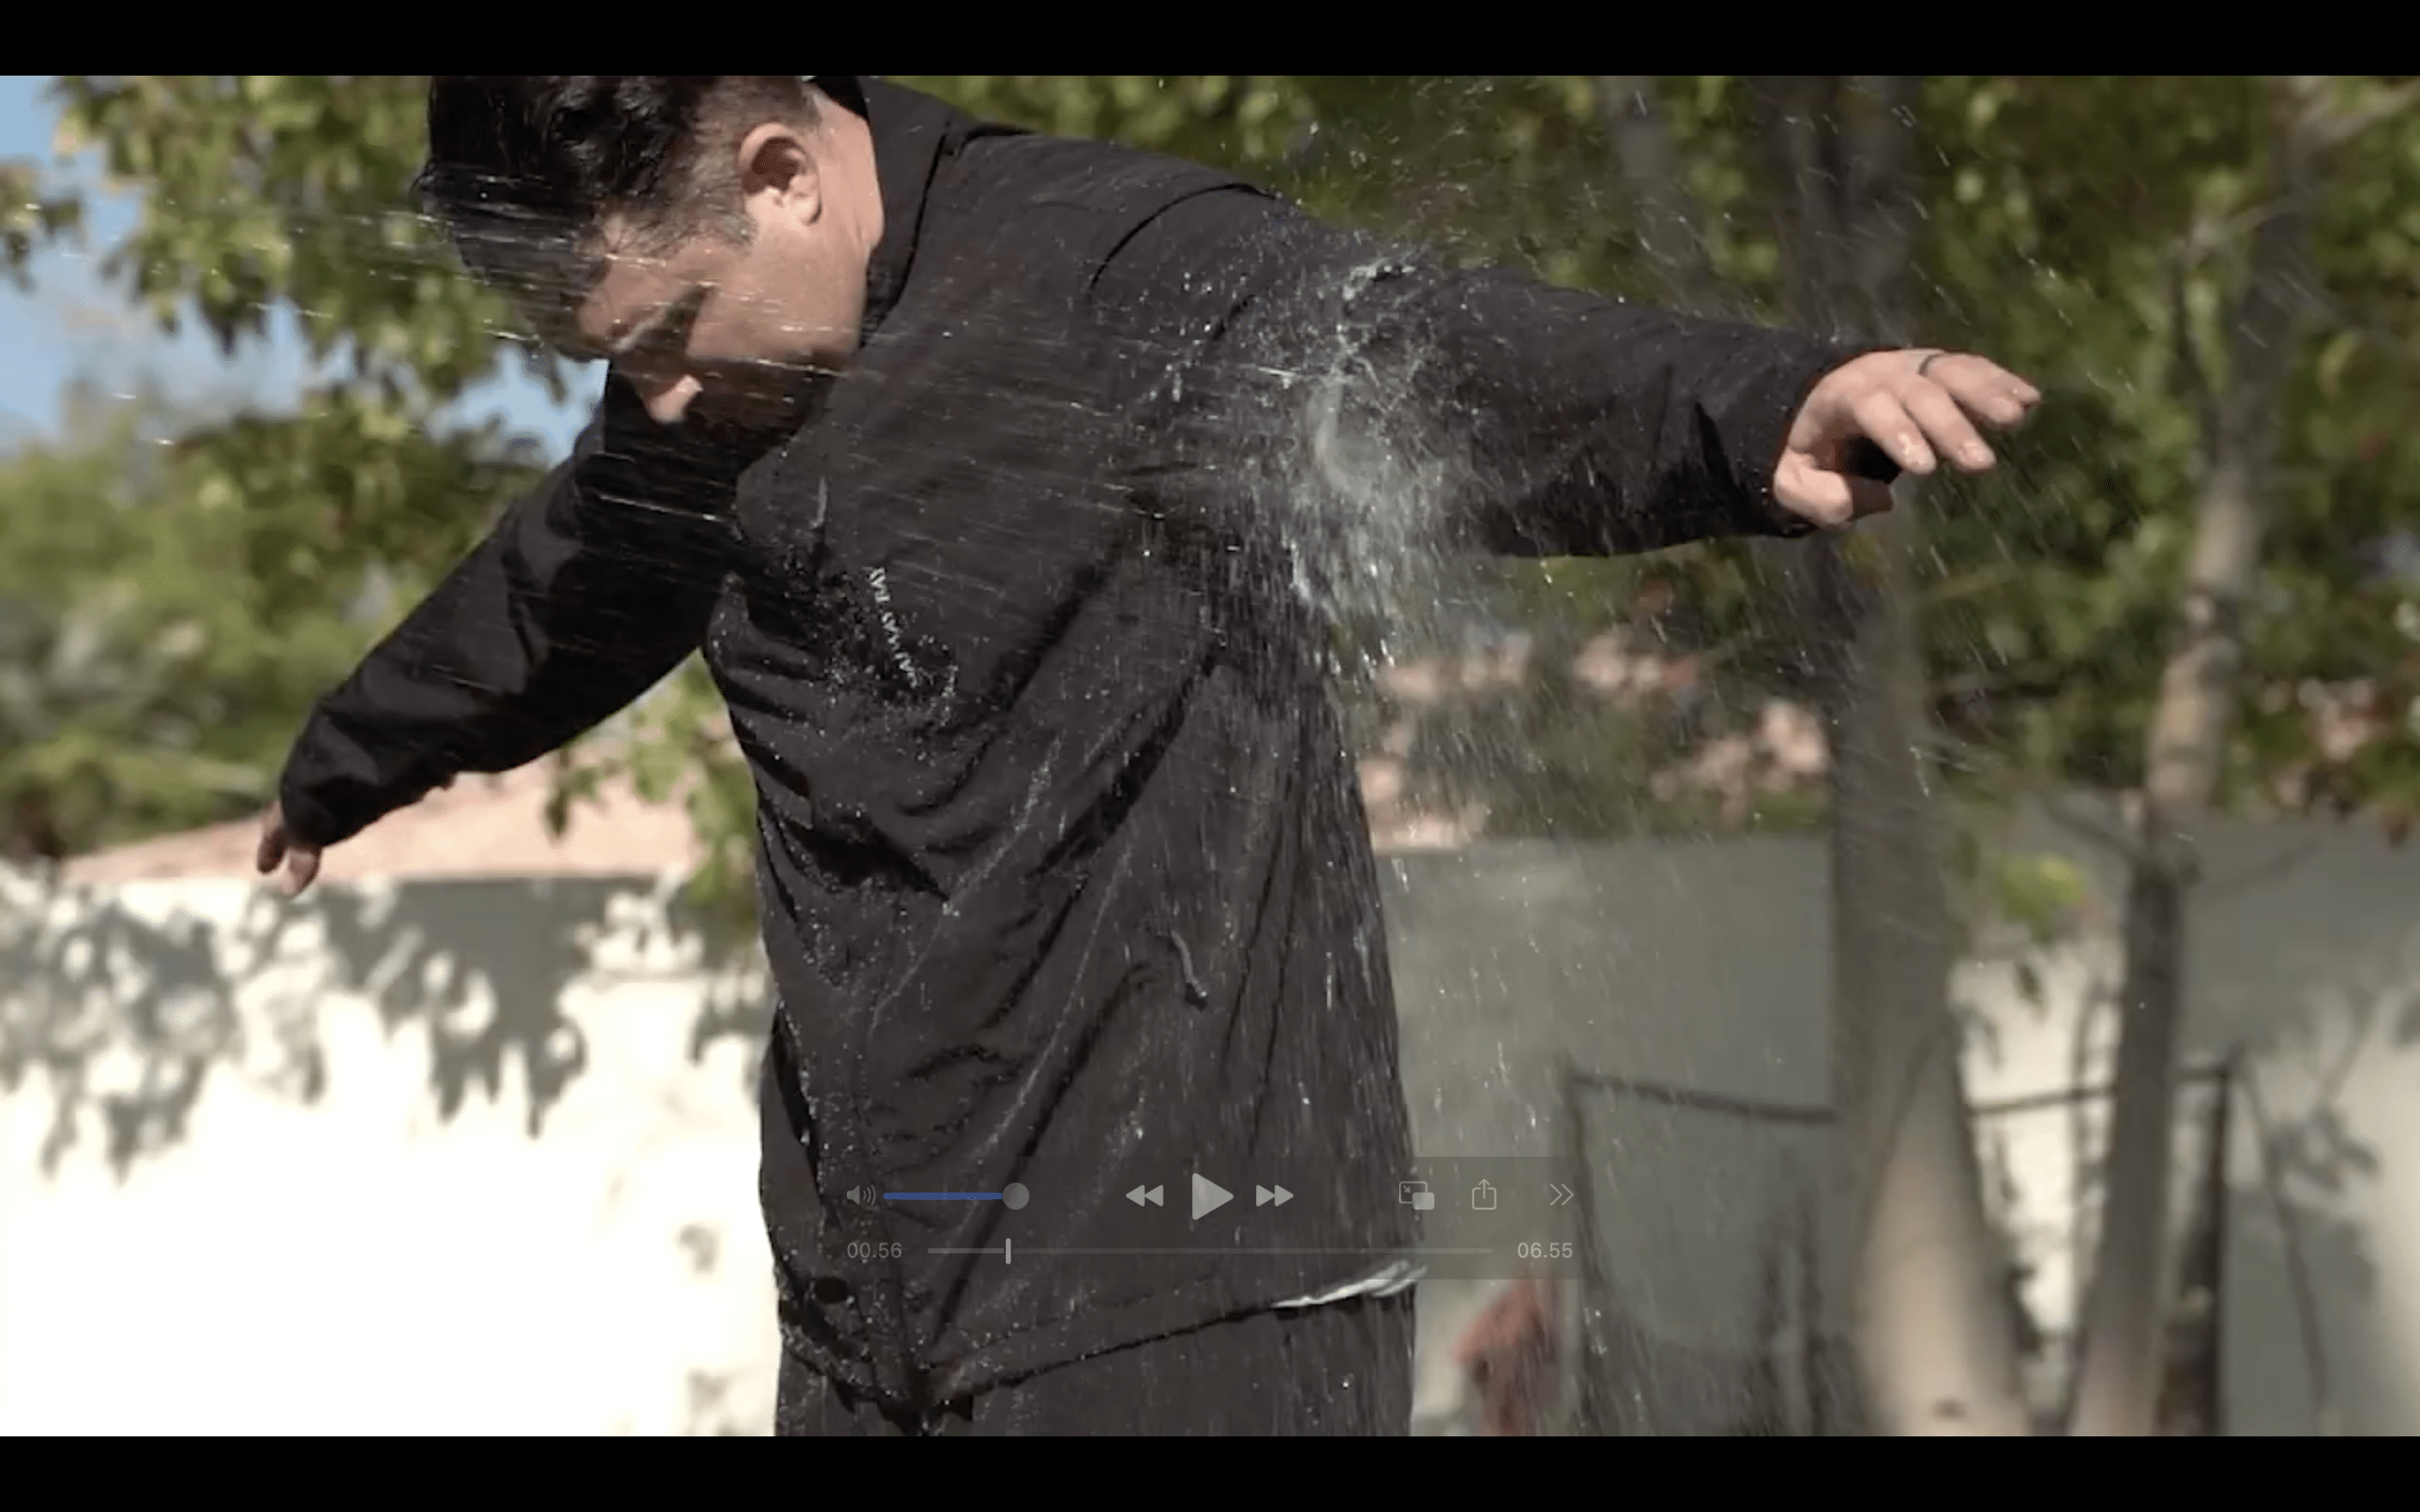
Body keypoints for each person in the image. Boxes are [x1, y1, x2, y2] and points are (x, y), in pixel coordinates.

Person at [253, 75, 2041, 1436]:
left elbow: (1424, 355)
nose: (643, 397)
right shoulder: (706, 404)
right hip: (880, 1291)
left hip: (1189, 1282)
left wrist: (1751, 411)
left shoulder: (1112, 276)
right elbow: (563, 581)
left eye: (654, 332)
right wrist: (347, 758)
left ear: (781, 175)